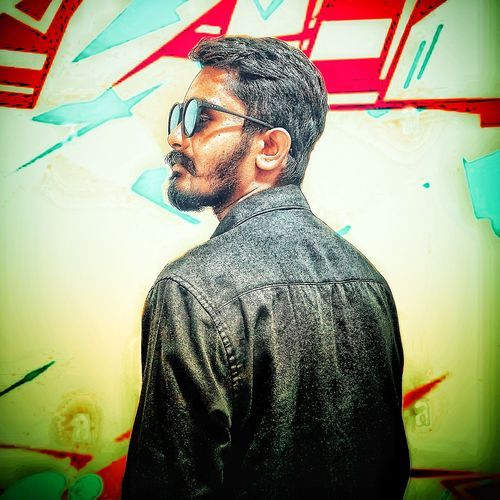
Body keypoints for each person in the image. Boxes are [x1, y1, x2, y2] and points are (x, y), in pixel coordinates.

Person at [121, 36, 410, 499]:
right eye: (178, 116)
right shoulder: (369, 282)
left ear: (270, 147)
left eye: (200, 118)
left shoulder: (191, 289)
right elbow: (389, 468)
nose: (176, 137)